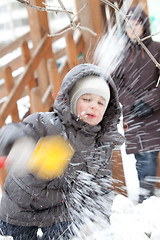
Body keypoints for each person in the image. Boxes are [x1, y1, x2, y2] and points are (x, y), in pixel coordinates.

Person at [0, 63, 123, 239]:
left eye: (100, 102)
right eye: (86, 99)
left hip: (59, 215)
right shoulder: (47, 124)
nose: (94, 106)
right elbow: (13, 131)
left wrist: (99, 221)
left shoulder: (100, 145)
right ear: (72, 100)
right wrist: (18, 143)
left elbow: (100, 187)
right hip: (18, 212)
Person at [113, 6, 160, 203]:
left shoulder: (156, 49)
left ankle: (147, 198)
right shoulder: (121, 53)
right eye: (128, 26)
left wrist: (151, 101)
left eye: (136, 25)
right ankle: (146, 197)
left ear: (144, 26)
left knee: (149, 156)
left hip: (153, 113)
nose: (132, 30)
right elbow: (116, 83)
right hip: (133, 115)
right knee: (140, 158)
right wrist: (132, 103)